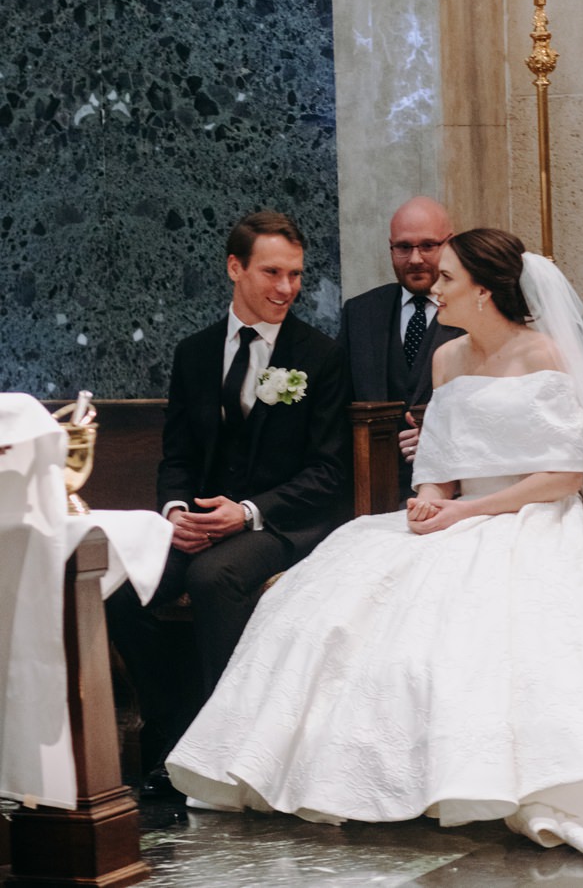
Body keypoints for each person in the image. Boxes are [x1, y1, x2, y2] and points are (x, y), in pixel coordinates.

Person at [166, 230, 583, 856]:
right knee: (330, 603)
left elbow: (563, 476)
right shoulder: (446, 359)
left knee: (485, 629)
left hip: (533, 516)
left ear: (485, 291)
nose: (434, 287)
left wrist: (469, 510)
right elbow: (438, 463)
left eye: (448, 278)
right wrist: (429, 497)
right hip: (459, 512)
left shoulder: (549, 355)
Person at [106, 211, 352, 800]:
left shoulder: (320, 356)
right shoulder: (193, 354)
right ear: (234, 267)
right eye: (272, 272)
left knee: (217, 580)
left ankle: (232, 750)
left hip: (284, 522)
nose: (287, 289)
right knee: (118, 585)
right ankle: (173, 730)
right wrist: (174, 514)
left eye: (295, 274)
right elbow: (177, 458)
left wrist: (245, 512)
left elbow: (328, 472)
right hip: (197, 524)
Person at [337, 196, 463, 491]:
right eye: (404, 247)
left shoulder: (474, 311)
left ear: (450, 244)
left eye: (428, 246)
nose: (415, 258)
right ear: (391, 247)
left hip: (452, 491)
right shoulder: (360, 311)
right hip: (370, 490)